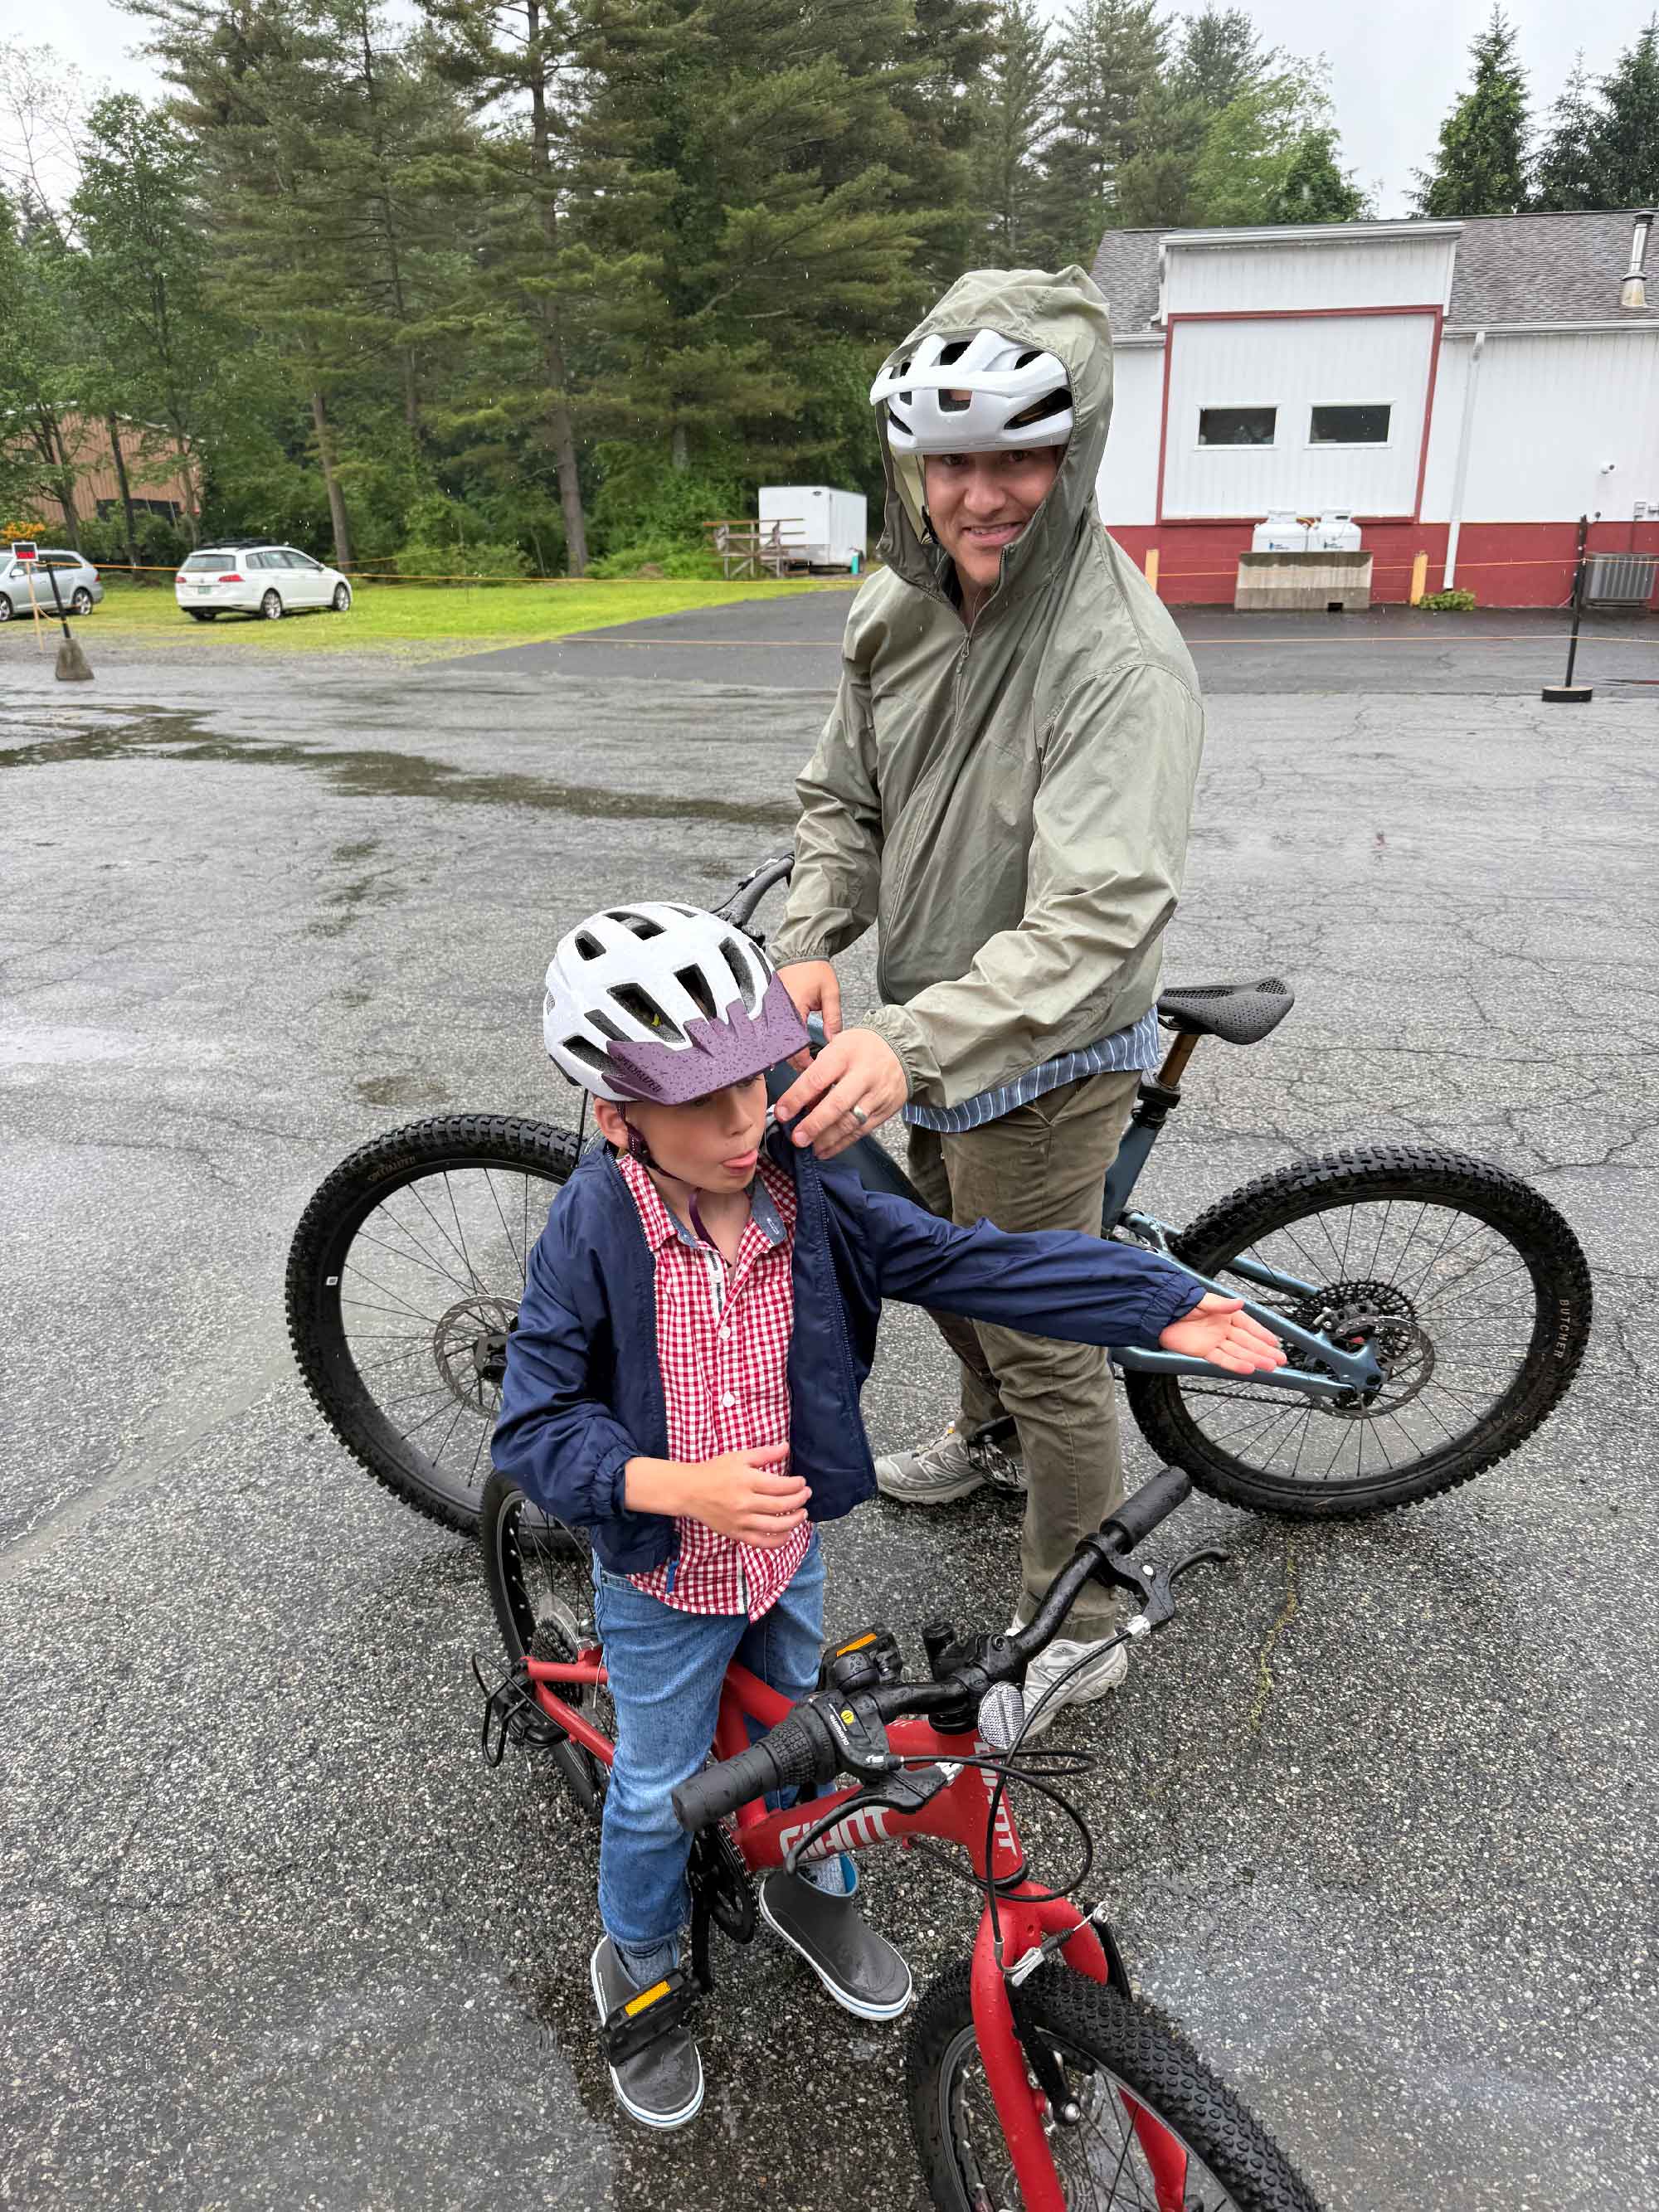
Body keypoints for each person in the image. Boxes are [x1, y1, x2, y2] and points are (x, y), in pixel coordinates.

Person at [492, 900, 1283, 2132]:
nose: (745, 1123)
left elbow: (974, 1261)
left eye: (756, 1085)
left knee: (821, 1737)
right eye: (701, 1105)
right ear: (617, 1117)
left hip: (786, 1554)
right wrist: (674, 1486)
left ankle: (809, 1887)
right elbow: (533, 1429)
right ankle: (639, 1968)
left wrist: (1152, 1298)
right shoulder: (592, 1227)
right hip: (661, 1576)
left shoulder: (812, 1198)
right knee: (654, 1790)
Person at [769, 266, 1206, 1726]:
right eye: (953, 459)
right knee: (937, 1252)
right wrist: (819, 936)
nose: (984, 494)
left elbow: (1100, 916)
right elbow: (842, 796)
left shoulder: (1115, 652)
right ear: (911, 462)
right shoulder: (894, 598)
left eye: (1019, 453)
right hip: (921, 1031)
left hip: (1042, 1045)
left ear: (1070, 448)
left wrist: (908, 1036)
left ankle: (1084, 1611)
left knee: (1043, 1335)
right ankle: (988, 1437)